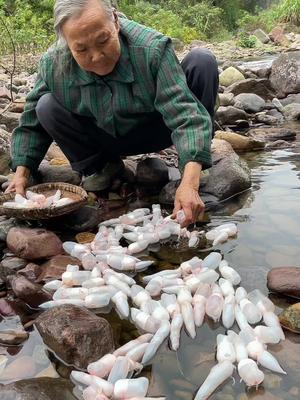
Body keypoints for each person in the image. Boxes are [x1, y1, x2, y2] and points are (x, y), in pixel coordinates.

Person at [6, 0, 219, 226]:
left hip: (160, 127)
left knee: (202, 60)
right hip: (105, 138)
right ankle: (106, 168)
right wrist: (21, 173)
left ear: (116, 22)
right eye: (81, 49)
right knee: (44, 106)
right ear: (67, 44)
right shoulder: (53, 63)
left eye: (103, 40)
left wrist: (189, 183)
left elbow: (185, 113)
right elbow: (31, 122)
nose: (97, 56)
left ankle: (194, 163)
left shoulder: (152, 49)